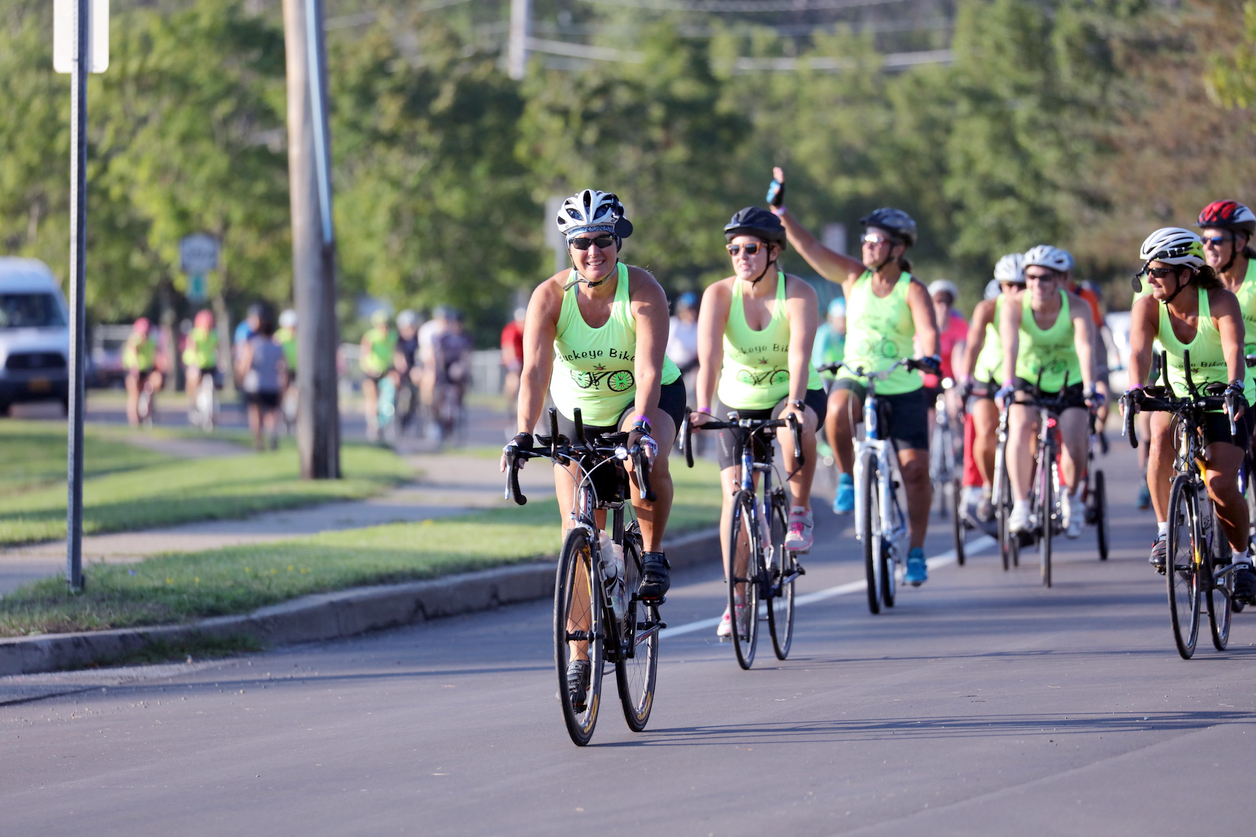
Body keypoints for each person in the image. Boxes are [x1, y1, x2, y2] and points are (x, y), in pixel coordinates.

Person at [501, 189, 684, 701]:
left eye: (603, 240)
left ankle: (651, 555)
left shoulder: (643, 290)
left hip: (644, 399)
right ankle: (579, 655)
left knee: (644, 460)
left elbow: (648, 368)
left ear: (618, 242)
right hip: (576, 415)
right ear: (569, 246)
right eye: (581, 242)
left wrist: (642, 425)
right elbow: (534, 371)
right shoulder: (550, 297)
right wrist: (522, 432)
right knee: (576, 532)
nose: (593, 251)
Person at [766, 166, 941, 586]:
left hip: (902, 383)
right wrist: (780, 211)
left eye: (875, 241)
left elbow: (929, 331)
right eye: (865, 240)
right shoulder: (853, 278)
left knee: (916, 471)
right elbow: (809, 247)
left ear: (897, 248)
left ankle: (916, 550)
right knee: (839, 408)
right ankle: (847, 476)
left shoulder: (911, 289)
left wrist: (929, 357)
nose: (867, 246)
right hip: (857, 373)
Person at [690, 207, 825, 638]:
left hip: (793, 389)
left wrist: (796, 403)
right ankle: (736, 599)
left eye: (750, 248)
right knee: (734, 501)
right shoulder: (718, 295)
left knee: (796, 425)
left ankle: (800, 511)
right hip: (737, 400)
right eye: (733, 249)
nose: (741, 256)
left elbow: (801, 356)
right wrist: (701, 408)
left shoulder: (798, 293)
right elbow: (708, 358)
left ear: (773, 251)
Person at [1124, 227, 1256, 604]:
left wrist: (1233, 385)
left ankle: (1242, 560)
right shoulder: (1148, 306)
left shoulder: (1220, 301)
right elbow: (1138, 352)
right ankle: (1165, 534)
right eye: (1147, 270)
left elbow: (1233, 348)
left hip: (1226, 395)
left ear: (1187, 273)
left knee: (1218, 484)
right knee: (1158, 444)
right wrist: (1135, 388)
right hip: (1177, 394)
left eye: (1159, 270)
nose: (1150, 278)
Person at [1000, 245, 1098, 539]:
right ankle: (1020, 505)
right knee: (1019, 427)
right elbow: (1010, 346)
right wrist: (1007, 383)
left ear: (1060, 280)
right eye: (1030, 277)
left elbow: (1085, 346)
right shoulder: (1014, 305)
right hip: (1029, 377)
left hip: (1069, 379)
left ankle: (1072, 496)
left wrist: (1092, 386)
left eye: (1045, 278)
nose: (1036, 284)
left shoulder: (1078, 306)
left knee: (1074, 436)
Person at [958, 255, 1025, 522]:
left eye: (1022, 285)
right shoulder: (988, 307)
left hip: (1023, 376)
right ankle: (988, 487)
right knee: (985, 431)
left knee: (1028, 434)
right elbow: (973, 342)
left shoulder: (1039, 307)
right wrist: (965, 377)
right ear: (1000, 285)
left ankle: (1026, 493)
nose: (1016, 291)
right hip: (989, 375)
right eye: (1009, 285)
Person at [236, 305, 287, 451]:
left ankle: (258, 441)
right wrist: (283, 384)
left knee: (256, 413)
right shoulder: (277, 344)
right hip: (273, 384)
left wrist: (240, 377)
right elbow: (283, 366)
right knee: (271, 413)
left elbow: (246, 364)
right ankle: (272, 436)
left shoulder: (252, 344)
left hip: (255, 384)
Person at [359, 310, 398, 442]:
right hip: (371, 372)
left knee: (389, 395)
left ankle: (388, 422)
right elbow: (364, 355)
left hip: (386, 370)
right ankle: (372, 427)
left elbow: (395, 354)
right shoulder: (370, 336)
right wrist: (369, 368)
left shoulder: (392, 336)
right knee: (372, 398)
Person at [123, 317, 164, 427]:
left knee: (154, 384)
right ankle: (135, 421)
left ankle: (149, 413)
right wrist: (135, 368)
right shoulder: (135, 340)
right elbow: (133, 354)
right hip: (134, 370)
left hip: (148, 369)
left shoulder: (152, 341)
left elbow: (158, 354)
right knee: (134, 393)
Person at [182, 309, 219, 412]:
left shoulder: (214, 335)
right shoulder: (195, 335)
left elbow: (216, 349)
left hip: (209, 363)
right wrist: (195, 364)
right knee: (193, 378)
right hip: (196, 363)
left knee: (215, 382)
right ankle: (192, 402)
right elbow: (193, 350)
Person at [812, 297, 847, 378]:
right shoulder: (824, 333)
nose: (842, 323)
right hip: (826, 378)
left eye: (845, 319)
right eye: (839, 319)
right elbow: (818, 356)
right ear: (831, 318)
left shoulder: (850, 334)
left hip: (843, 377)